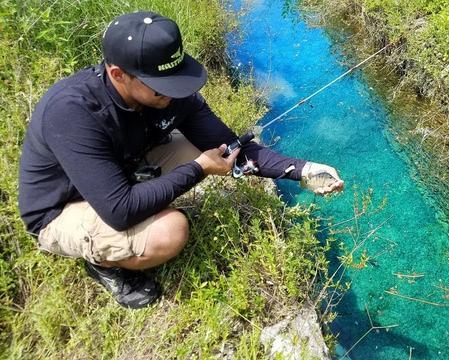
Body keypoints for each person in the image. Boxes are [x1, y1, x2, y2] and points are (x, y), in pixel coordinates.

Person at [18, 11, 344, 309]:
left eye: (175, 80)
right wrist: (199, 168)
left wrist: (303, 170)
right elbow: (119, 211)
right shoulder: (73, 112)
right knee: (171, 230)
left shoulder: (170, 94)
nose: (172, 94)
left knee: (205, 151)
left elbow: (231, 149)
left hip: (121, 169)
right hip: (61, 209)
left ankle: (134, 210)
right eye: (161, 88)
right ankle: (103, 264)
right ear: (118, 74)